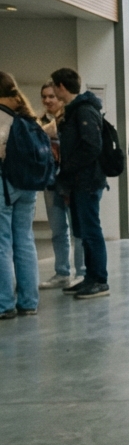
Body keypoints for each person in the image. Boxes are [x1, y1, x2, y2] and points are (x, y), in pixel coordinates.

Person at [51, 67, 109, 300]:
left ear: (61, 87)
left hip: (87, 181)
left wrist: (66, 165)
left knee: (91, 231)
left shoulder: (83, 111)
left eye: (54, 87)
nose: (54, 91)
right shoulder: (75, 110)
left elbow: (91, 147)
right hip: (78, 181)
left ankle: (100, 280)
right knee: (83, 232)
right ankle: (90, 278)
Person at [0, 73, 41, 319]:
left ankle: (5, 304)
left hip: (4, 184)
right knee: (25, 240)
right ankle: (29, 302)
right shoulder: (25, 115)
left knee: (2, 243)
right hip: (27, 184)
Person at [36, 82, 85, 289]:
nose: (47, 100)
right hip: (51, 182)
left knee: (79, 230)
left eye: (51, 96)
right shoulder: (38, 122)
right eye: (44, 97)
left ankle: (82, 272)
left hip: (73, 182)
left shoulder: (71, 119)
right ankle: (62, 272)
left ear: (60, 97)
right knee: (57, 230)